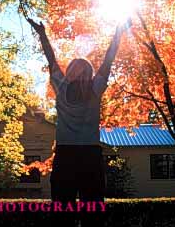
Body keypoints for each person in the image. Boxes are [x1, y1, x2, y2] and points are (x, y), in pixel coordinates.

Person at [27, 18, 131, 227]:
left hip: (67, 155)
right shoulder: (94, 87)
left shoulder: (63, 84)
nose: (71, 68)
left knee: (65, 210)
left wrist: (43, 35)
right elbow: (108, 60)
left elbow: (52, 60)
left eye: (73, 66)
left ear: (74, 71)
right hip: (88, 154)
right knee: (90, 210)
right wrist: (118, 32)